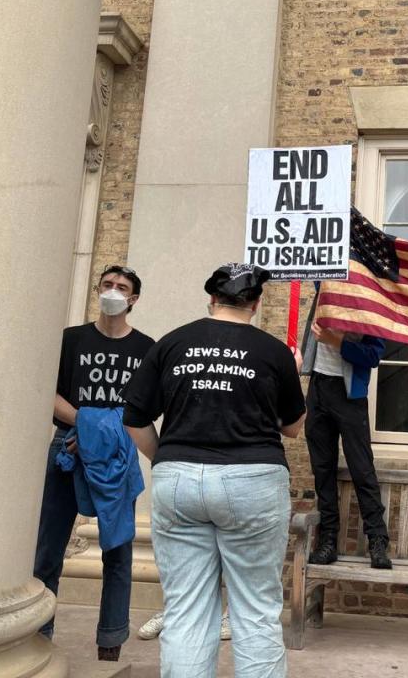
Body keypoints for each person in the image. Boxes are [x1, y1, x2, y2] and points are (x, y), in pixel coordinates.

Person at [122, 263, 305, 678]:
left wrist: (165, 458)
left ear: (211, 299)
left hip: (178, 479)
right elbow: (294, 427)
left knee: (186, 609)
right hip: (252, 480)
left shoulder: (172, 343)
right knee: (255, 611)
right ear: (255, 304)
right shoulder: (272, 351)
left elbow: (133, 417)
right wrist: (289, 376)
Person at [34, 265, 155, 662]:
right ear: (97, 289)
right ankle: (37, 638)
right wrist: (88, 425)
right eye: (107, 285)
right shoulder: (72, 340)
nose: (113, 291)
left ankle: (110, 645)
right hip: (67, 448)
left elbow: (143, 409)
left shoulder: (146, 348)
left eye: (122, 287)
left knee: (117, 552)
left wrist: (101, 429)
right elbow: (46, 394)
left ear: (134, 299)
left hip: (118, 455)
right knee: (47, 549)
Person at [303, 319, 392, 569]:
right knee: (322, 469)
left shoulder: (369, 297)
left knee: (361, 468)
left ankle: (377, 540)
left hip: (349, 394)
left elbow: (373, 355)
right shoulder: (325, 284)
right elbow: (319, 282)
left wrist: (336, 341)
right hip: (319, 385)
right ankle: (328, 540)